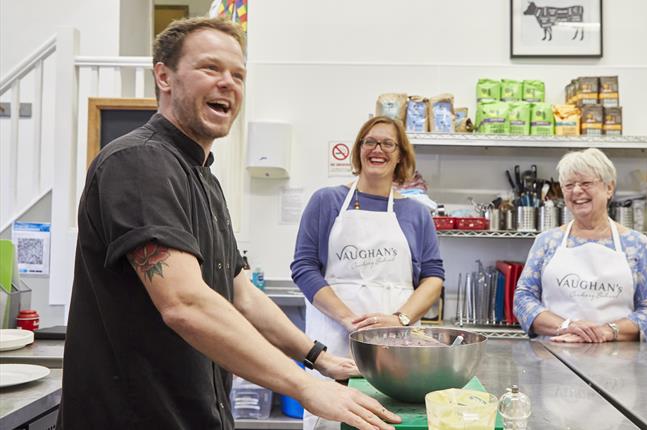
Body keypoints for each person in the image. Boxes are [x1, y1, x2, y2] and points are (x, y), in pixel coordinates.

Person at [58, 17, 400, 430]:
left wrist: (318, 357)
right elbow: (184, 303)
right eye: (210, 68)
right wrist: (305, 386)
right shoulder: (139, 163)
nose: (229, 83)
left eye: (238, 75)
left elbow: (242, 293)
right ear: (163, 76)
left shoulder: (204, 179)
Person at [291, 116, 445, 429]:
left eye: (388, 143)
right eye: (370, 142)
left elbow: (433, 277)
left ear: (400, 155)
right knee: (329, 423)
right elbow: (303, 267)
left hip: (394, 351)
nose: (378, 149)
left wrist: (399, 319)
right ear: (359, 150)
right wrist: (347, 319)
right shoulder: (327, 201)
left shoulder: (416, 213)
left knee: (390, 420)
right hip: (333, 344)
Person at [513, 148, 647, 343]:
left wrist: (606, 332)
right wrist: (566, 326)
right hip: (554, 356)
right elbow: (523, 299)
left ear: (609, 188)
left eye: (586, 183)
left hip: (615, 360)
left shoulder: (638, 244)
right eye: (569, 185)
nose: (577, 191)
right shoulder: (546, 242)